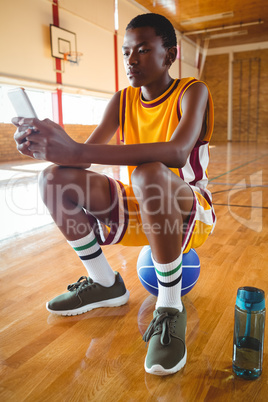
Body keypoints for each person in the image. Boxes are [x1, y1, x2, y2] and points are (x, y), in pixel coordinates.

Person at [13, 13, 216, 376]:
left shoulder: (192, 91)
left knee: (150, 171)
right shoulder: (122, 100)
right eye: (126, 53)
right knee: (53, 180)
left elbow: (176, 152)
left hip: (188, 213)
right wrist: (47, 145)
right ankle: (105, 283)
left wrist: (77, 151)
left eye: (142, 50)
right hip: (140, 207)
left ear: (169, 56)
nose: (131, 60)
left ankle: (169, 307)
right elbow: (78, 164)